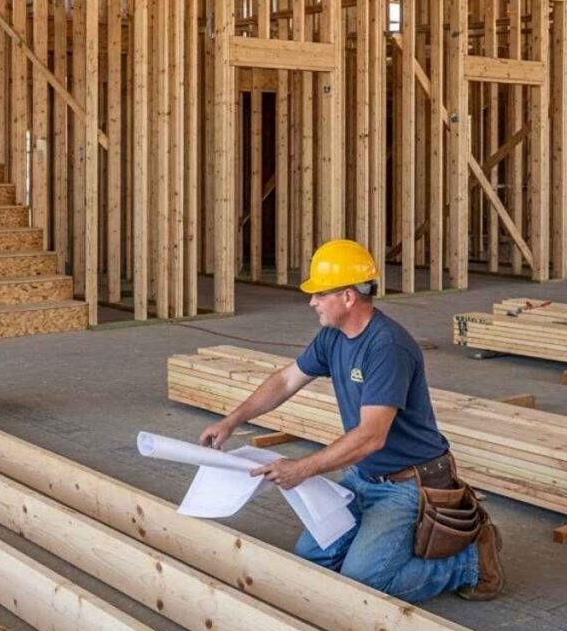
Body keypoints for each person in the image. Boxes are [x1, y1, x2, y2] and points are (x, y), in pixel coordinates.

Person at [199, 239, 504, 602]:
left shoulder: (387, 347)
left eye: (319, 294)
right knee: (314, 558)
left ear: (347, 297)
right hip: (364, 475)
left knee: (363, 584)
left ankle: (470, 560)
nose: (311, 302)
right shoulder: (333, 337)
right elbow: (285, 380)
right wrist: (232, 420)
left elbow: (372, 436)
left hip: (408, 483)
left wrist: (303, 468)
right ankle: (388, 547)